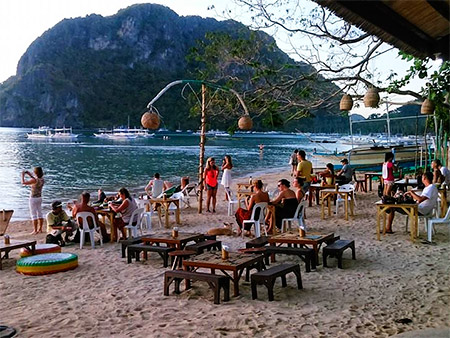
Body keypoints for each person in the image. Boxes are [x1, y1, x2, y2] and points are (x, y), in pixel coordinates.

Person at [21, 167, 45, 234]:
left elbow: (23, 183)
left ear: (35, 173)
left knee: (33, 214)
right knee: (40, 213)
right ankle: (40, 229)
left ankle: (35, 230)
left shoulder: (34, 180)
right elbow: (35, 178)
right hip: (39, 198)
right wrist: (30, 175)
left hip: (33, 198)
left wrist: (22, 175)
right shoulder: (42, 179)